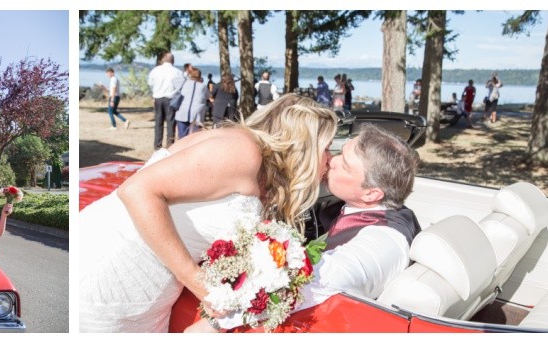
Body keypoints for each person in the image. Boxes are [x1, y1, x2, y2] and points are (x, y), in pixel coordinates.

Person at [79, 94, 339, 332]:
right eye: (326, 147)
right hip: (112, 274)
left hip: (151, 296)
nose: (330, 158)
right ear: (302, 144)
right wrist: (200, 284)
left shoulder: (262, 175)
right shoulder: (241, 150)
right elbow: (136, 191)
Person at [186, 123, 422, 332]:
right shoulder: (379, 212)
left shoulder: (383, 242)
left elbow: (315, 282)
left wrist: (216, 323)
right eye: (339, 152)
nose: (332, 160)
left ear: (372, 193)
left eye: (346, 165)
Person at [147, 52, 185, 150]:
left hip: (158, 98)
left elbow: (150, 83)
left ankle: (157, 145)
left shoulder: (155, 70)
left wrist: (155, 92)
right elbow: (182, 86)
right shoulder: (177, 72)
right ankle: (170, 145)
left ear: (163, 60)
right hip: (171, 99)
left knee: (158, 122)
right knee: (171, 123)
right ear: (173, 60)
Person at [173, 67, 208, 139]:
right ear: (200, 76)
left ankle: (182, 148)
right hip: (196, 114)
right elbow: (208, 96)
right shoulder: (203, 86)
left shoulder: (184, 83)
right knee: (194, 136)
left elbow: (174, 81)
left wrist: (186, 74)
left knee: (182, 136)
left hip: (182, 112)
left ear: (190, 74)